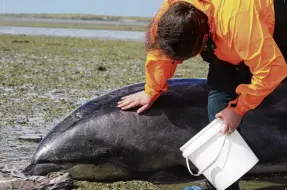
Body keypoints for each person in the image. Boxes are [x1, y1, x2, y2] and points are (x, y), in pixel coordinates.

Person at [117, 0, 287, 189]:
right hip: (226, 49)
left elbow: (272, 69)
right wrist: (151, 90)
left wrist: (239, 109)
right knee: (219, 120)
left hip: (276, 26)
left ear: (205, 38)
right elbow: (161, 52)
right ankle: (220, 186)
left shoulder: (237, 23)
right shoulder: (170, 14)